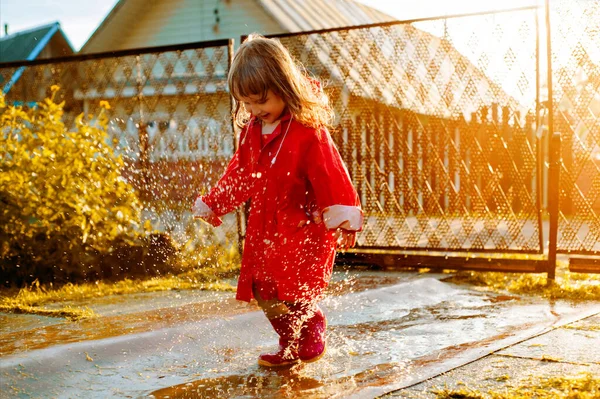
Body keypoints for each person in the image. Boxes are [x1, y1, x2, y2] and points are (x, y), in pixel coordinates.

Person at [192, 34, 363, 367]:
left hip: (302, 227)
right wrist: (214, 202)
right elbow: (240, 175)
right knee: (262, 288)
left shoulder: (307, 130)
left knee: (294, 287)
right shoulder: (253, 131)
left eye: (262, 100)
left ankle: (311, 326)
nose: (255, 110)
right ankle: (290, 341)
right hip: (265, 228)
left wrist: (341, 217)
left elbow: (330, 172)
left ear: (284, 86)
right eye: (248, 103)